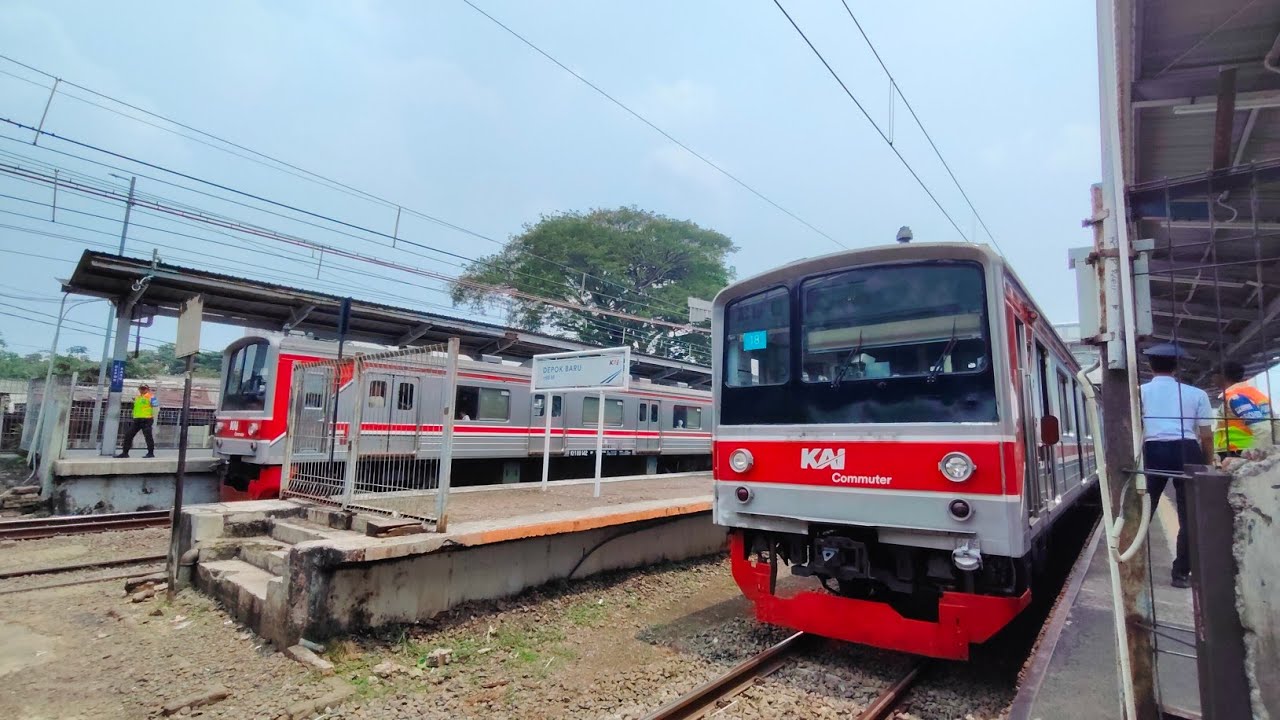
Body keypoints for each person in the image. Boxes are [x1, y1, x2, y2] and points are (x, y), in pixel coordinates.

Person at [1138, 343, 1215, 589]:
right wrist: (1207, 463)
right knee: (1188, 515)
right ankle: (1181, 573)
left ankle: (1131, 566)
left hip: (1154, 450)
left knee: (1142, 511)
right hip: (1187, 450)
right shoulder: (1197, 394)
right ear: (1177, 367)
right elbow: (1206, 435)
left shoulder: (1139, 392)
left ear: (1150, 366)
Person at [1213, 360, 1275, 459]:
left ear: (1221, 376)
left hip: (1239, 452)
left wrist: (1253, 454)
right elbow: (1275, 424)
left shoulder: (1236, 398)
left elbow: (1263, 429)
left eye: (1213, 375)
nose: (1212, 379)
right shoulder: (1253, 394)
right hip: (1244, 450)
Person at [115, 384, 159, 459]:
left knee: (148, 437)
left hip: (146, 419)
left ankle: (150, 453)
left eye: (144, 389)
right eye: (141, 389)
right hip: (137, 420)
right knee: (128, 435)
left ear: (147, 389)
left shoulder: (151, 397)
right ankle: (125, 453)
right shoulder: (138, 397)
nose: (142, 390)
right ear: (139, 389)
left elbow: (156, 407)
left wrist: (152, 417)